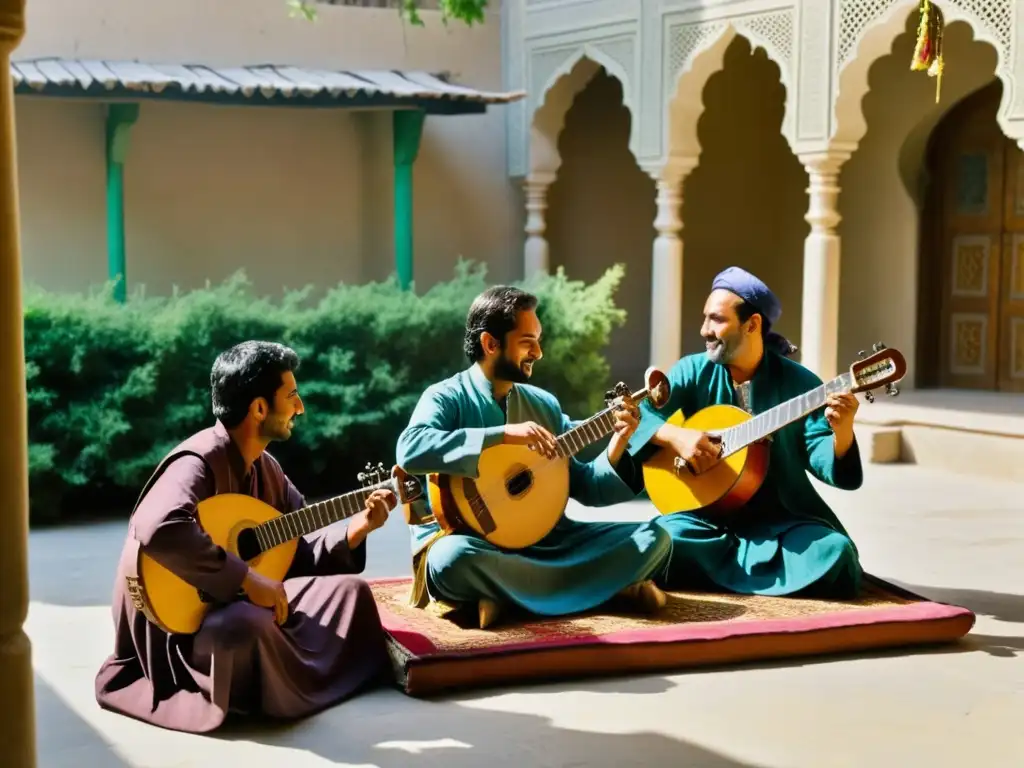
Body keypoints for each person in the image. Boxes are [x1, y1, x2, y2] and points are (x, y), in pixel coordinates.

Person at [95, 341, 396, 733]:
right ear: (258, 408)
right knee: (245, 627)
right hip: (180, 629)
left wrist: (356, 530)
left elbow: (295, 555)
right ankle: (273, 680)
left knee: (351, 593)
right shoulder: (199, 460)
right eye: (291, 396)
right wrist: (244, 579)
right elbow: (159, 527)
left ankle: (277, 680)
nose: (300, 408)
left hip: (232, 604)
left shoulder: (267, 469)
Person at [396, 286, 672, 629]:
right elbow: (410, 449)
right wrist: (504, 435)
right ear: (490, 344)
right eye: (528, 341)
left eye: (538, 341)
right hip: (473, 542)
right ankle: (608, 591)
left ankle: (506, 599)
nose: (539, 353)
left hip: (548, 542)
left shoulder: (544, 405)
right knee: (449, 561)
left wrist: (618, 441)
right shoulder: (444, 398)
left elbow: (587, 488)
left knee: (655, 538)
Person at [627, 267, 864, 599]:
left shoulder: (801, 385)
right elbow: (640, 417)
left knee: (835, 553)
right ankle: (763, 577)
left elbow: (823, 457)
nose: (704, 330)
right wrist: (677, 437)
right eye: (705, 319)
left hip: (781, 521)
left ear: (752, 325)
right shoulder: (692, 370)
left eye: (716, 320)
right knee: (658, 539)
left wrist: (842, 433)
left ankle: (708, 574)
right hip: (704, 519)